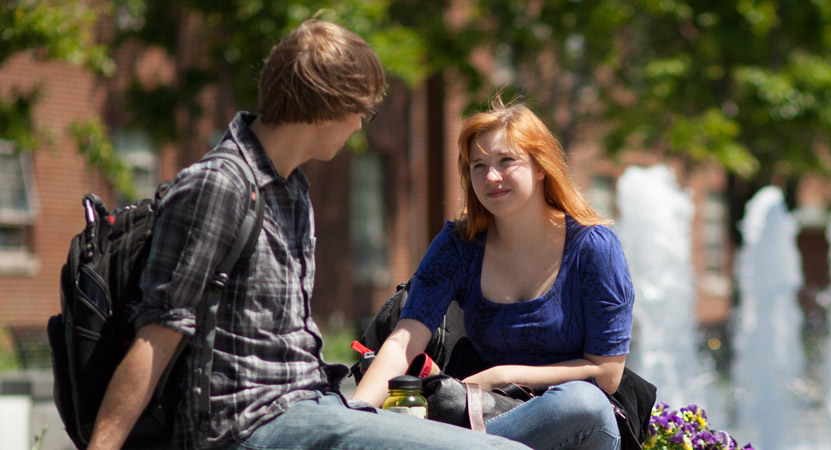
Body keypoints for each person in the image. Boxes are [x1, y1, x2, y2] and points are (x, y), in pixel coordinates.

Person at [88, 19, 526, 450]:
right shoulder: (219, 186)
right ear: (328, 107)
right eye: (363, 112)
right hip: (245, 426)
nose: (359, 126)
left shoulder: (291, 187)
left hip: (311, 404)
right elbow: (157, 336)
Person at [353, 98, 636, 450]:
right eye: (478, 166)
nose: (491, 177)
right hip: (490, 418)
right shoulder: (459, 244)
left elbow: (607, 374)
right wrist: (353, 417)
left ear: (541, 166)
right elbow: (404, 340)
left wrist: (505, 374)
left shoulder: (594, 247)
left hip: (577, 427)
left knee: (583, 402)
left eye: (506, 161)